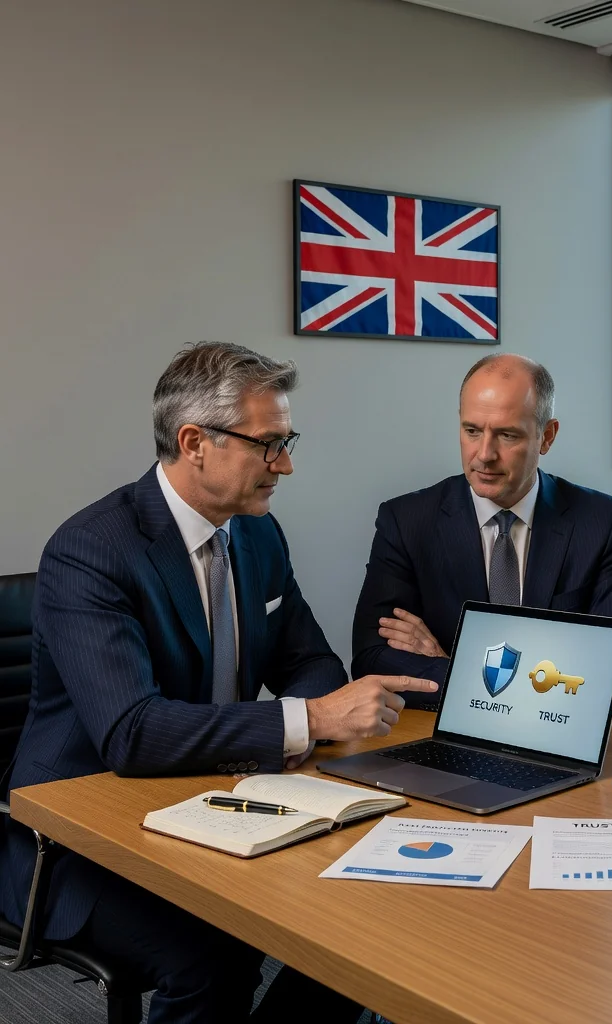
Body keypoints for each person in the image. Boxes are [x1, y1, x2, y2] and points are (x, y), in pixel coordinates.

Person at [0, 342, 436, 1023]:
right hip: (79, 840)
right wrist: (308, 723)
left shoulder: (258, 536)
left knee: (361, 919)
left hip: (218, 801)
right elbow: (131, 733)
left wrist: (309, 715)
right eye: (268, 444)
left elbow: (309, 664)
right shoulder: (92, 550)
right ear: (193, 441)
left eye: (287, 441)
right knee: (214, 954)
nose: (286, 464)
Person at [351, 353, 612, 707]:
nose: (484, 454)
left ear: (546, 437)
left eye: (507, 435)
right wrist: (535, 674)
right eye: (472, 431)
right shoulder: (406, 521)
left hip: (552, 735)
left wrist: (458, 665)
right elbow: (371, 657)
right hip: (444, 737)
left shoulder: (599, 522)